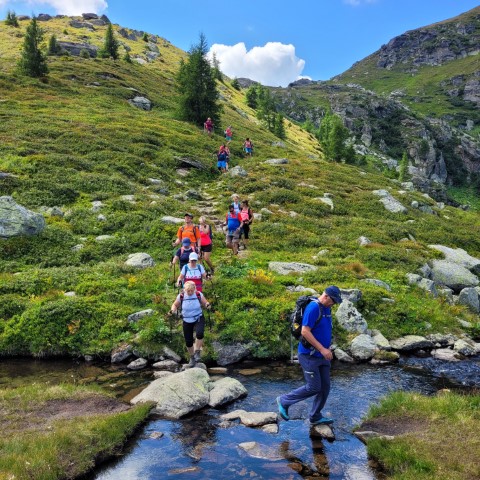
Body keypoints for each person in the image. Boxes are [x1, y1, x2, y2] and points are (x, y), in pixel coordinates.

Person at [276, 286, 343, 426]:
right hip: (309, 355)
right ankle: (284, 400)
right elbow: (305, 332)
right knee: (314, 387)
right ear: (326, 297)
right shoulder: (313, 308)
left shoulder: (327, 308)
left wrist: (326, 348)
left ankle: (315, 416)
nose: (334, 304)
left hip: (322, 355)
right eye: (333, 301)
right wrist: (322, 349)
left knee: (325, 387)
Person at [169, 281, 211, 367]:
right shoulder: (181, 296)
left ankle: (197, 352)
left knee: (200, 333)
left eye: (192, 290)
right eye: (188, 291)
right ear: (184, 290)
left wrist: (207, 305)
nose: (190, 292)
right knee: (188, 342)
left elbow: (205, 302)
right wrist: (172, 310)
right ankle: (192, 358)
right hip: (187, 320)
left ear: (195, 289)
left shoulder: (198, 294)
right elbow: (175, 305)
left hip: (198, 317)